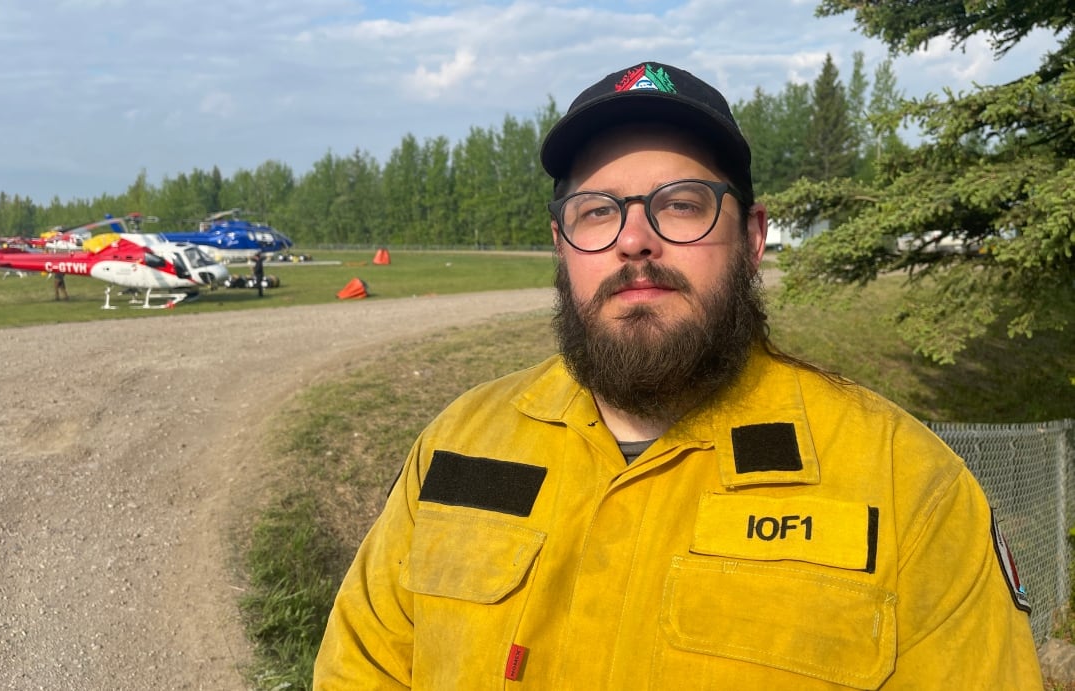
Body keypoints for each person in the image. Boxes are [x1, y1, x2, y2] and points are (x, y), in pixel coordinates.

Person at [312, 61, 1042, 689]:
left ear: (752, 238)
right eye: (597, 212)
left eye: (682, 205)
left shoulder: (909, 487)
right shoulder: (456, 446)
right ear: (561, 244)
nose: (634, 239)